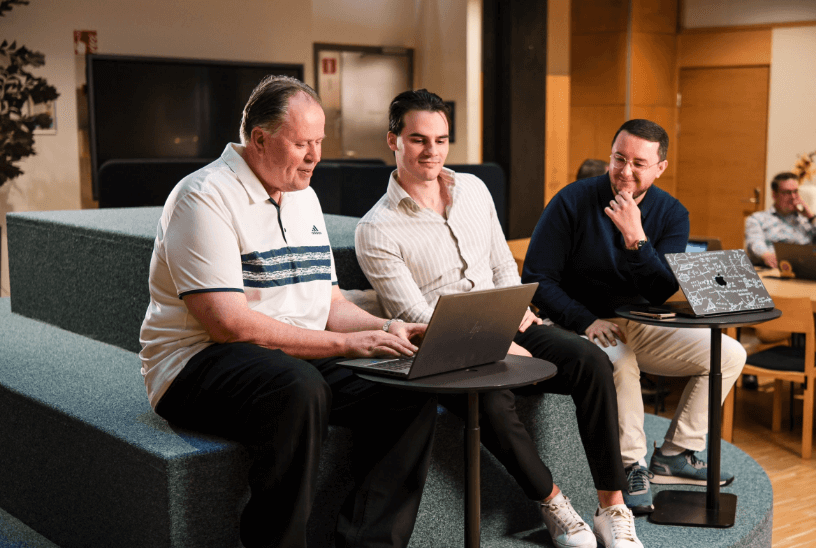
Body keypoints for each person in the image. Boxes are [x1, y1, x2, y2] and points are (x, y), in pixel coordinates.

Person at [139, 76, 439, 548]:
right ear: (259, 139)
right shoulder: (203, 196)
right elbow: (228, 325)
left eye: (319, 142)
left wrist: (386, 328)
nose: (315, 156)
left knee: (408, 390)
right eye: (302, 144)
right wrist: (346, 344)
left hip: (293, 353)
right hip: (193, 363)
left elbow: (330, 305)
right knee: (299, 387)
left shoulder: (304, 197)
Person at [355, 89, 642, 548]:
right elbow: (413, 314)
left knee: (591, 361)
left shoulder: (473, 189)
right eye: (418, 139)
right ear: (393, 140)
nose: (432, 151)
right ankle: (554, 504)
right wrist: (491, 342)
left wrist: (519, 311)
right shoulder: (376, 228)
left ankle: (612, 506)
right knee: (489, 400)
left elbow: (502, 263)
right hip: (447, 349)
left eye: (441, 139)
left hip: (509, 323)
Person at [521, 119, 746, 516]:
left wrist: (635, 239)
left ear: (660, 167)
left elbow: (661, 290)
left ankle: (675, 454)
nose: (626, 171)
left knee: (728, 354)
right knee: (621, 362)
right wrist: (585, 320)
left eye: (639, 163)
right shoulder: (572, 200)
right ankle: (630, 467)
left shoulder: (672, 213)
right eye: (619, 159)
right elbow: (537, 279)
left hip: (640, 323)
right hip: (576, 324)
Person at [744, 171, 816, 269]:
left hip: (804, 271)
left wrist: (811, 217)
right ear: (774, 195)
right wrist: (766, 255)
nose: (793, 197)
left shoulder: (807, 222)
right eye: (787, 193)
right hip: (772, 269)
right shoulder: (757, 219)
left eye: (796, 191)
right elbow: (755, 243)